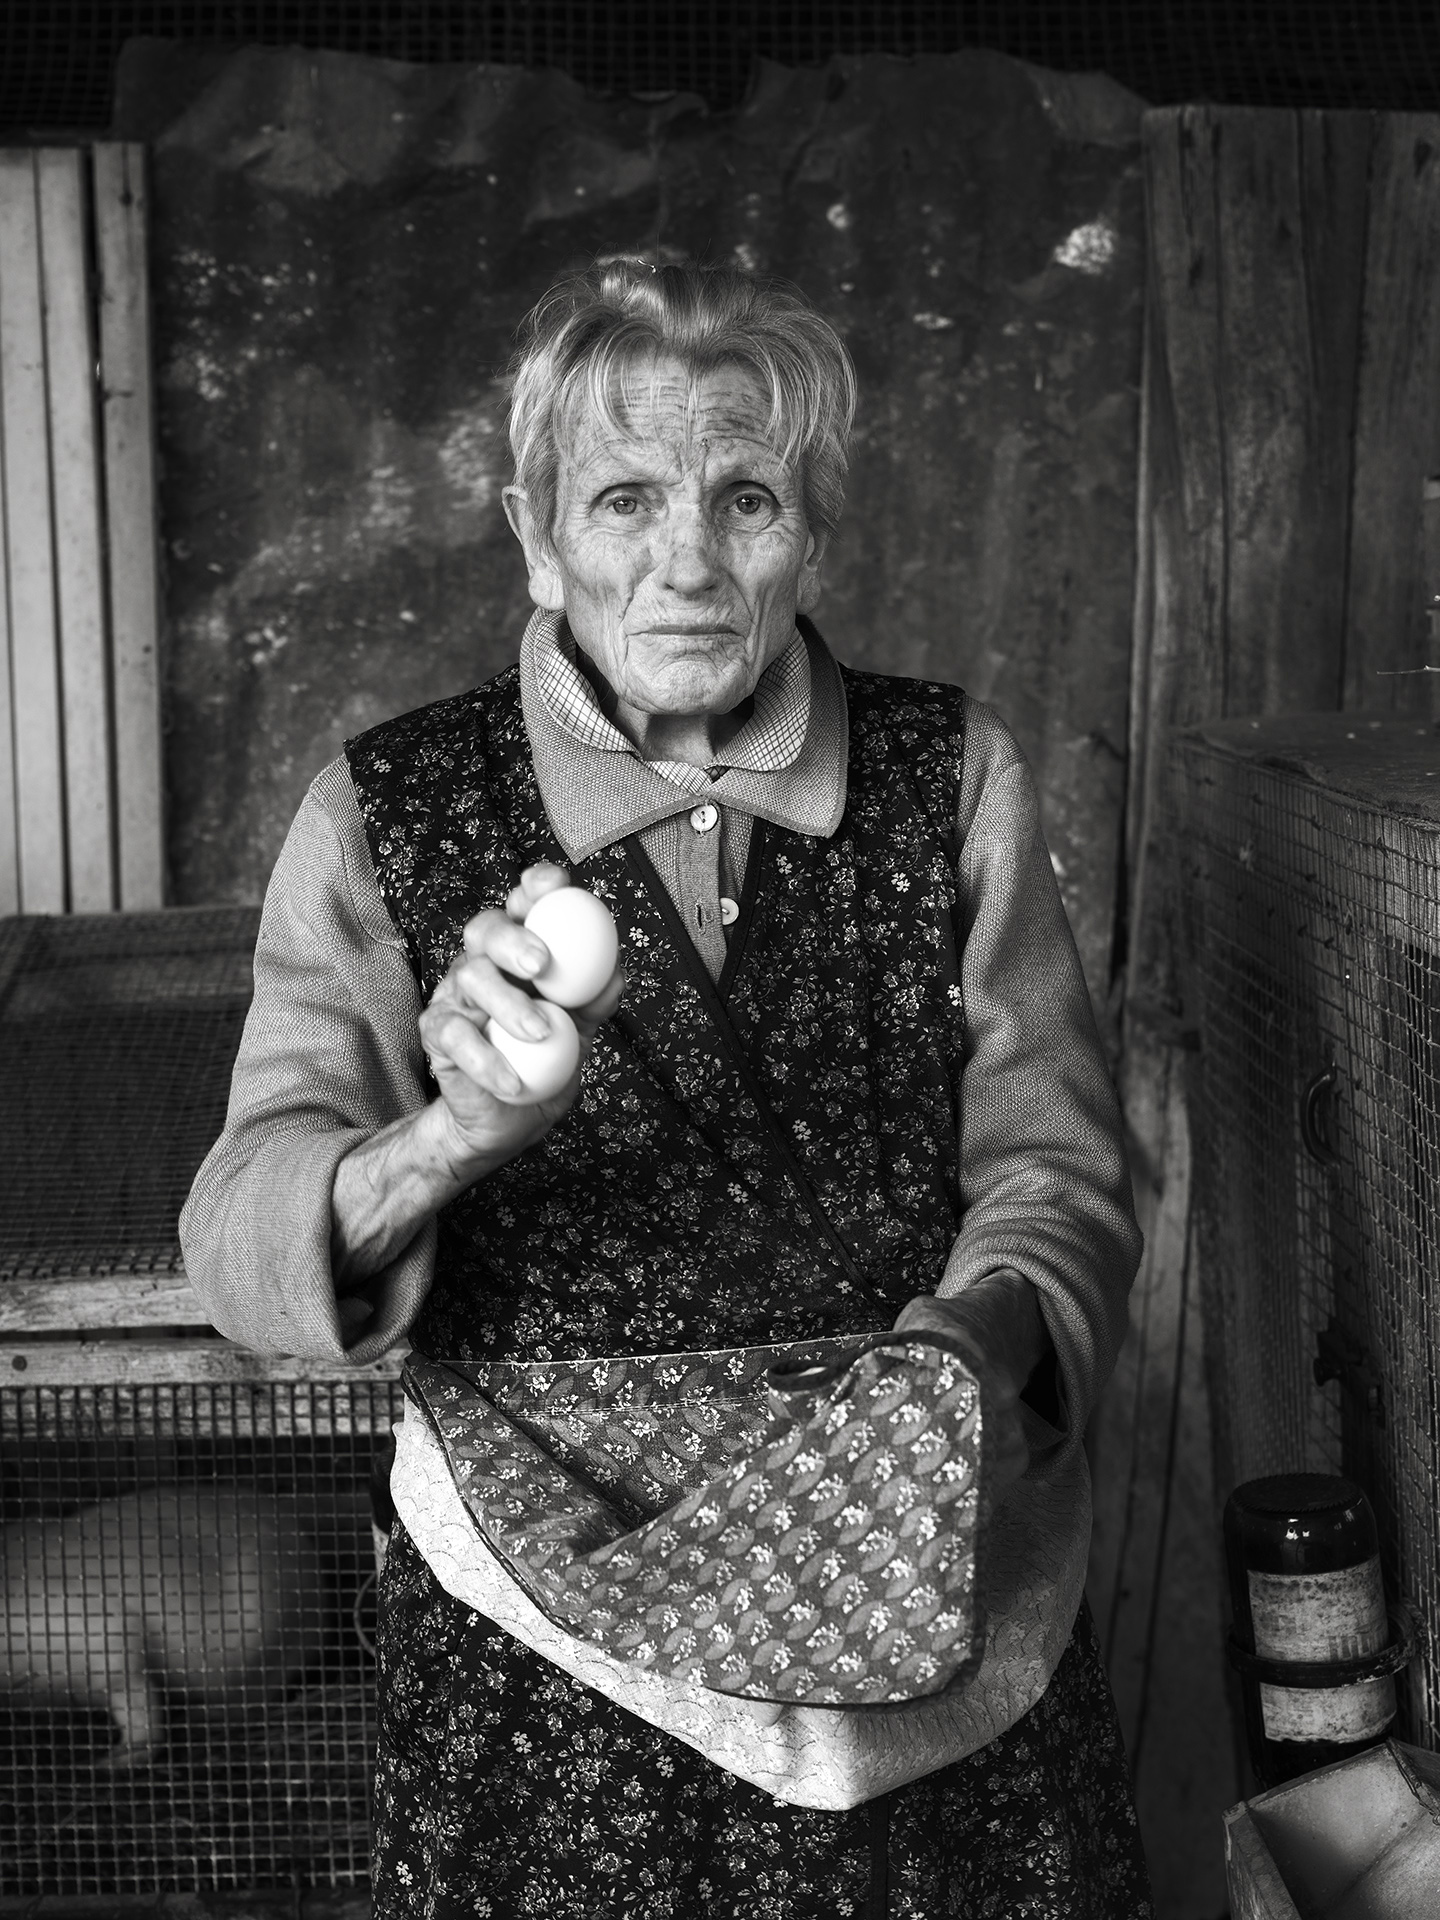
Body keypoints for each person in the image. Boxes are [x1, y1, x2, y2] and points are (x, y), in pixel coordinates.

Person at [182, 259, 1152, 1919]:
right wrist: (446, 1140)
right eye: (624, 497)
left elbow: (1057, 1172)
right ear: (534, 529)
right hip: (543, 1658)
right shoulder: (388, 813)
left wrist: (963, 1356)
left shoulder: (953, 777)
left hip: (914, 1578)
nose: (689, 562)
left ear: (816, 533)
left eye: (749, 497)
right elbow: (236, 1238)